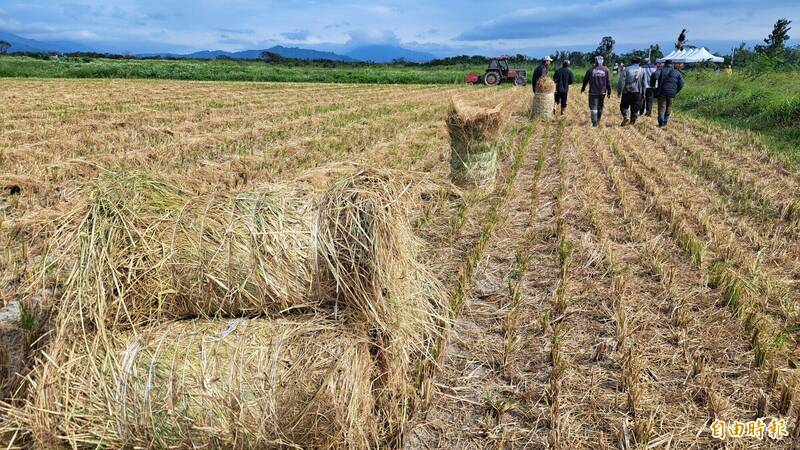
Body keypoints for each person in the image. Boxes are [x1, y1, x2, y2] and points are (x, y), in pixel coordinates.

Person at [650, 59, 684, 127]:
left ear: (665, 64)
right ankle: (665, 121)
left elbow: (654, 75)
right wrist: (676, 90)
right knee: (669, 107)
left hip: (662, 91)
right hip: (671, 93)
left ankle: (661, 121)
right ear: (672, 65)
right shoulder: (677, 72)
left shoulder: (661, 70)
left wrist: (653, 86)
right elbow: (682, 84)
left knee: (662, 107)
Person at [581, 56, 612, 127]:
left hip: (593, 92)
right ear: (602, 61)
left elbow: (585, 80)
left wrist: (583, 88)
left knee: (593, 106)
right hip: (602, 92)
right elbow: (608, 82)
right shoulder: (606, 70)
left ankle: (594, 122)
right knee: (600, 106)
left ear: (595, 61)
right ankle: (598, 120)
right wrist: (609, 92)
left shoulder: (590, 70)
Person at [617, 56, 646, 126]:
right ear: (639, 62)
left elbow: (621, 81)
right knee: (635, 108)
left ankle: (626, 116)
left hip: (627, 91)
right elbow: (644, 83)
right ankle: (632, 123)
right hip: (637, 92)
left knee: (623, 106)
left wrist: (619, 91)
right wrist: (644, 93)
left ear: (631, 62)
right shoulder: (642, 70)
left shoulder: (626, 69)